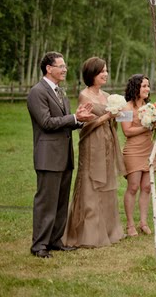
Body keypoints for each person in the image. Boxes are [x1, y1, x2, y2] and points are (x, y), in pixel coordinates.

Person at [27, 52, 95, 258]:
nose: (65, 69)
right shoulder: (37, 92)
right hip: (48, 157)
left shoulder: (60, 92)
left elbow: (64, 122)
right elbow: (47, 123)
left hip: (64, 156)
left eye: (65, 66)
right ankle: (39, 245)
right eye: (61, 66)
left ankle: (55, 240)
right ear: (49, 68)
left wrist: (79, 119)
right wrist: (73, 116)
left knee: (60, 203)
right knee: (46, 202)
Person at [63, 57, 126, 248]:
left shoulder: (107, 96)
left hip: (107, 142)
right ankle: (87, 234)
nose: (105, 74)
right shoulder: (85, 96)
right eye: (101, 72)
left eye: (106, 70)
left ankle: (108, 230)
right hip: (91, 144)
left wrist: (119, 115)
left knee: (106, 183)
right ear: (92, 74)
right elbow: (84, 125)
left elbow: (114, 119)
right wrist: (107, 115)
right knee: (91, 184)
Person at [121, 74, 154, 237]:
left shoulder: (151, 108)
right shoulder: (125, 108)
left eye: (148, 86)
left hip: (149, 149)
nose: (147, 89)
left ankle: (143, 222)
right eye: (144, 86)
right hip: (133, 151)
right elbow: (126, 131)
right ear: (136, 88)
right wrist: (146, 127)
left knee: (147, 187)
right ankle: (130, 225)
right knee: (133, 186)